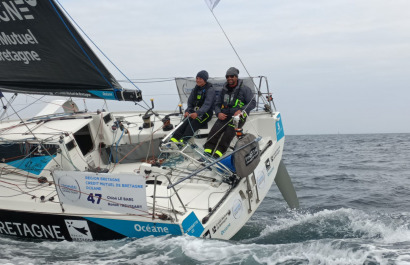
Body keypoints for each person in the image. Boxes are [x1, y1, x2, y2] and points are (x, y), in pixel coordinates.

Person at [204, 67, 256, 158]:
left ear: (236, 77)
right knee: (213, 133)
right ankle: (207, 154)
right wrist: (218, 113)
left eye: (232, 76)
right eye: (227, 76)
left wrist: (241, 110)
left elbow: (252, 103)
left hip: (238, 118)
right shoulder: (223, 90)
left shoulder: (245, 89)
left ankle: (217, 155)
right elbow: (217, 104)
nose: (229, 78)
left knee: (228, 135)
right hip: (224, 116)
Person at [170, 70, 215, 144]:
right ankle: (173, 141)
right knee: (184, 123)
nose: (198, 80)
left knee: (193, 124)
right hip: (194, 112)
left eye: (200, 78)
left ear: (205, 79)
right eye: (197, 78)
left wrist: (197, 113)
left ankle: (182, 142)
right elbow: (190, 103)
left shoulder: (210, 90)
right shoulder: (195, 89)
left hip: (206, 114)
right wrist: (188, 111)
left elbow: (207, 105)